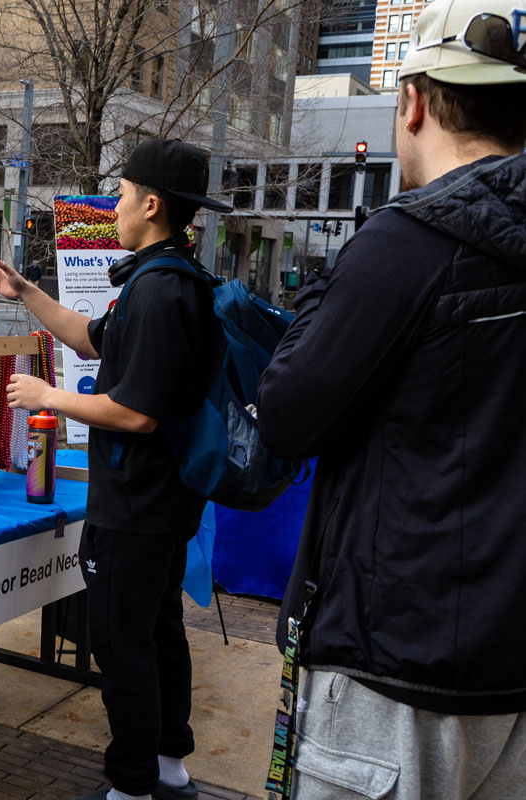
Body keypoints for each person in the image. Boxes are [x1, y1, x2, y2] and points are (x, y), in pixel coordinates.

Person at [256, 1, 526, 796]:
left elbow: (285, 416)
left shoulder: (404, 243)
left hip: (390, 666)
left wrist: (321, 293)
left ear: (411, 101)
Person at [0, 139, 232, 800]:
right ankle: (170, 765)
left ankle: (132, 785)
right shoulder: (166, 277)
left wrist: (47, 397)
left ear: (150, 204)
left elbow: (136, 412)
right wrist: (26, 291)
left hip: (136, 505)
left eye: (119, 194)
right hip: (163, 502)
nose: (112, 206)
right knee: (157, 631)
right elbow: (93, 338)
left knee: (122, 646)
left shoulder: (157, 291)